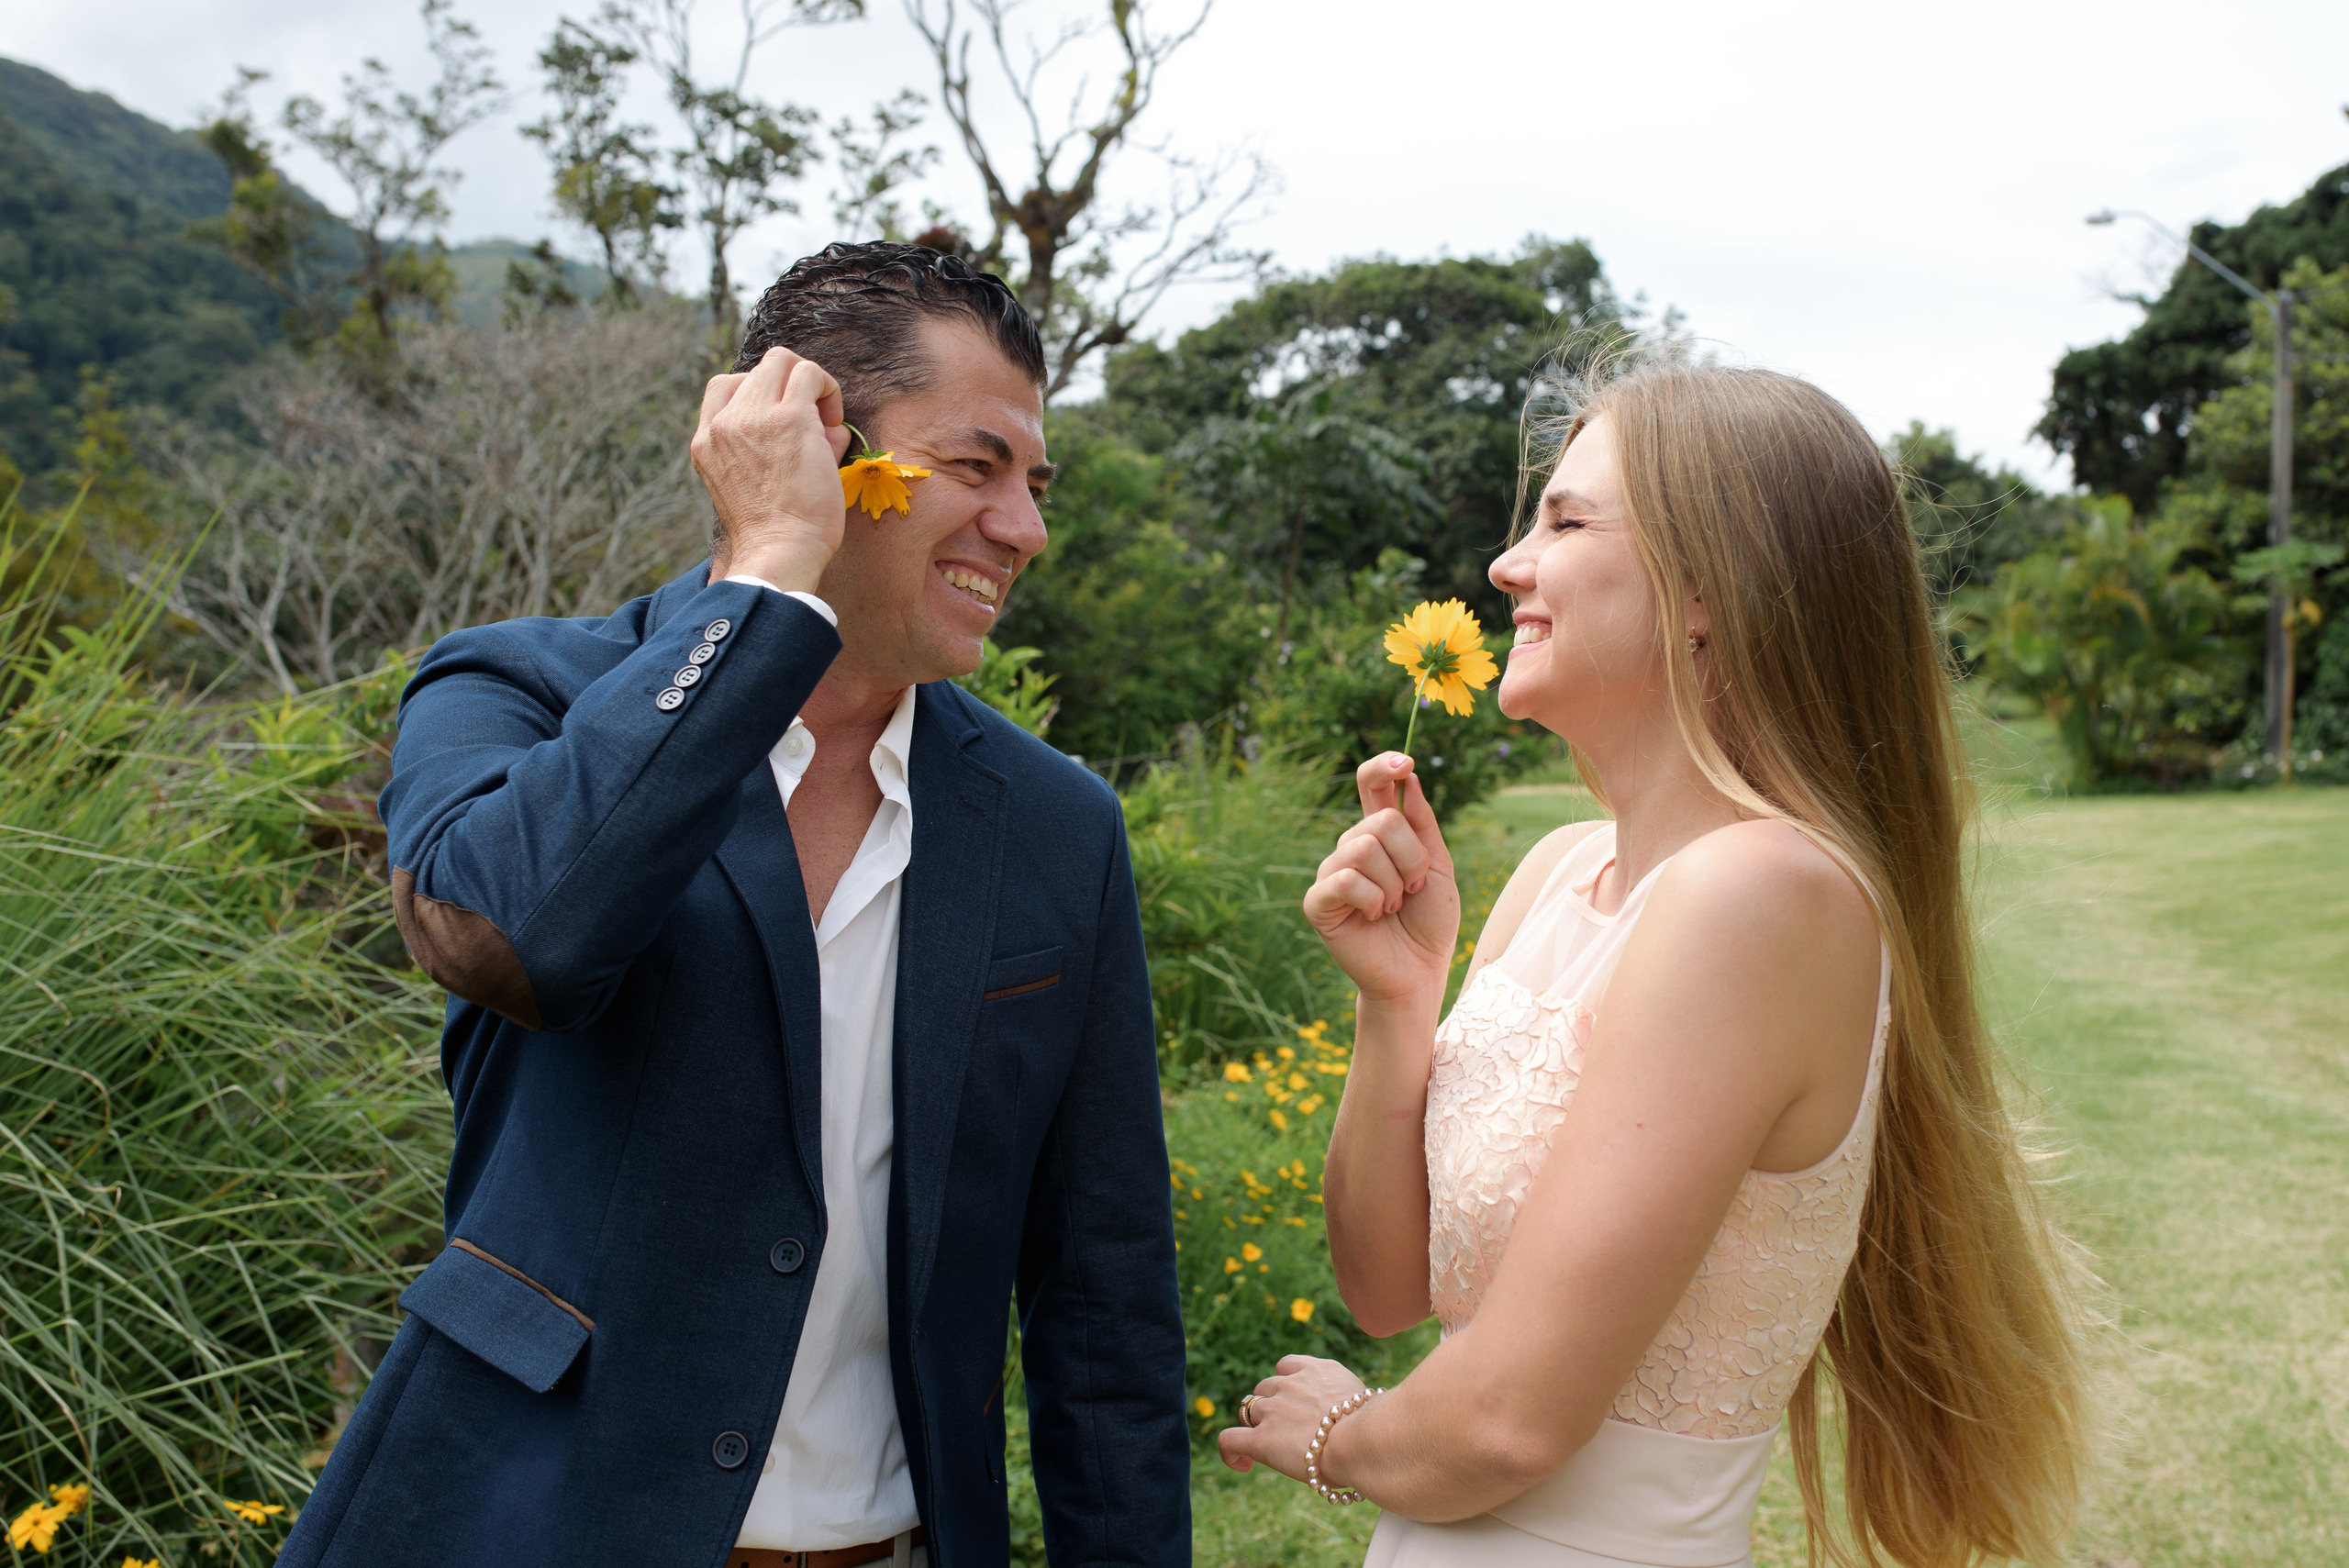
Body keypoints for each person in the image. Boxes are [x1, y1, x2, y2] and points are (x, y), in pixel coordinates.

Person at [280, 243, 1189, 1568]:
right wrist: (769, 571)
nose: (1028, 529)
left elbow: (1105, 1303)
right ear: (819, 442)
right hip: (526, 1531)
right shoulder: (510, 693)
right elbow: (519, 935)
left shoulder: (1060, 828)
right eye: (978, 466)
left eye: (1036, 484)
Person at [1216, 360, 2092, 1567]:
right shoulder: (1558, 873)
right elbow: (1387, 1287)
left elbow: (1507, 1422)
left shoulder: (1762, 896)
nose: (1506, 565)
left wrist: (1343, 1434)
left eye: (1566, 521)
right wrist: (1399, 1000)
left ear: (1706, 589)